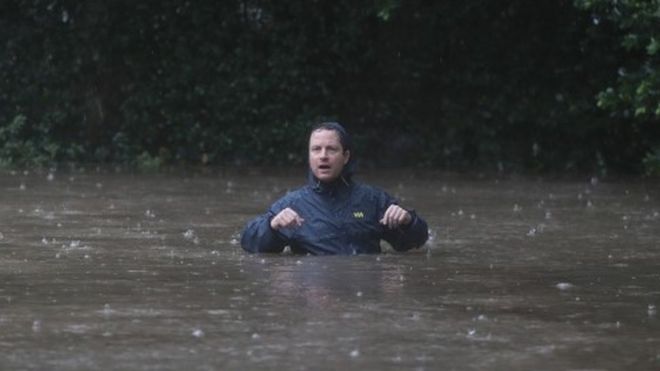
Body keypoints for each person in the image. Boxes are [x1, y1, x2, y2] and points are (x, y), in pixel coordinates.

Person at [240, 122, 429, 255]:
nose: (323, 156)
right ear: (309, 156)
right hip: (314, 300)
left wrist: (408, 221)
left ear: (345, 156)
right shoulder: (291, 205)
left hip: (361, 298)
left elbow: (415, 242)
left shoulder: (373, 200)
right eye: (316, 149)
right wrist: (271, 226)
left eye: (331, 149)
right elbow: (249, 243)